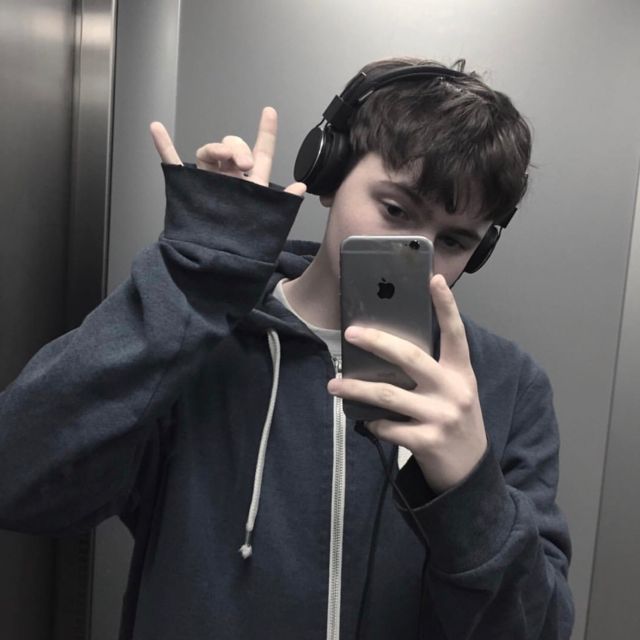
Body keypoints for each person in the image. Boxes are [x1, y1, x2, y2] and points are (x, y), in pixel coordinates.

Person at [0, 57, 574, 639]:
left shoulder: (503, 385)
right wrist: (193, 279)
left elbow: (538, 630)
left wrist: (471, 493)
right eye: (396, 209)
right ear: (329, 177)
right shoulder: (205, 338)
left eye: (452, 241)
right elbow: (19, 482)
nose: (416, 253)